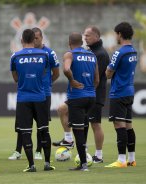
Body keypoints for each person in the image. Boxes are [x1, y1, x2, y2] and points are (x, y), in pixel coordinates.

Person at [8, 27, 59, 161]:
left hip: (43, 93)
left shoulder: (49, 53)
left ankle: (38, 151)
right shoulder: (25, 55)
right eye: (33, 38)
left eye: (37, 38)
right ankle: (18, 151)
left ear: (42, 38)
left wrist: (46, 84)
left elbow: (56, 73)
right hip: (31, 93)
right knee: (22, 125)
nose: (35, 40)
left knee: (41, 126)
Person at [63, 32, 99, 171]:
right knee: (84, 128)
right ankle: (84, 160)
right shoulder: (92, 55)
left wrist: (72, 81)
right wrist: (90, 90)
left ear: (69, 43)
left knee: (78, 131)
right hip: (91, 96)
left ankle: (83, 165)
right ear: (82, 42)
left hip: (77, 97)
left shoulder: (69, 54)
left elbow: (66, 69)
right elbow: (97, 79)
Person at [105, 22, 137, 168]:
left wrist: (107, 71)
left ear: (119, 34)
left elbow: (108, 73)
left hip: (118, 92)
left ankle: (121, 160)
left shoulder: (119, 52)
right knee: (129, 126)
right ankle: (131, 159)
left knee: (119, 125)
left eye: (115, 34)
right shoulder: (133, 51)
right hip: (129, 91)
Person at [84, 26, 109, 163]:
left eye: (87, 35)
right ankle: (84, 152)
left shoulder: (101, 54)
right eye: (84, 35)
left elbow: (96, 78)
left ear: (96, 37)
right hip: (88, 94)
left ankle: (98, 155)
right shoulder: (92, 51)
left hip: (95, 94)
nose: (85, 37)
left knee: (95, 124)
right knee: (85, 123)